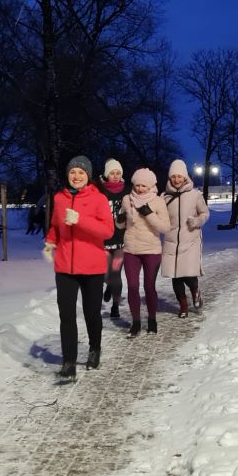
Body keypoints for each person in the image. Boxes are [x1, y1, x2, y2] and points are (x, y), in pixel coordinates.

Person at [43, 156, 114, 378]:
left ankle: (95, 348)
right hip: (64, 266)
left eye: (81, 173)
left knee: (92, 313)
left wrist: (80, 220)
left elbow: (107, 232)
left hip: (92, 266)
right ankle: (69, 361)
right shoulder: (59, 198)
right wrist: (50, 241)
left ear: (88, 176)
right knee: (66, 315)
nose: (76, 176)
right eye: (73, 172)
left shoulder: (99, 199)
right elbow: (56, 224)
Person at [121, 167, 170, 337]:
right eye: (137, 185)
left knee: (149, 286)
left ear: (151, 186)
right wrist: (119, 219)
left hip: (151, 250)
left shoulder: (158, 201)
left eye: (144, 186)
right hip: (131, 249)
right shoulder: (127, 199)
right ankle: (135, 322)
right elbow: (121, 225)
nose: (140, 189)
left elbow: (165, 227)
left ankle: (152, 319)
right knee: (133, 287)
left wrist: (148, 213)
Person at [161, 159, 209, 318]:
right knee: (175, 277)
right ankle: (183, 307)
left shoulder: (195, 195)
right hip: (171, 241)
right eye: (173, 176)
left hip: (191, 239)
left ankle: (195, 292)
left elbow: (205, 213)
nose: (176, 180)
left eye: (179, 176)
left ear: (185, 177)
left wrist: (197, 221)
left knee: (188, 274)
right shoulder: (164, 197)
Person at [98, 159, 130, 318]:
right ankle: (109, 286)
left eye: (118, 173)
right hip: (102, 241)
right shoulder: (99, 191)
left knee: (116, 274)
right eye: (112, 173)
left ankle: (115, 306)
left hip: (120, 241)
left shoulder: (127, 192)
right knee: (105, 274)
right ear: (106, 174)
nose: (116, 176)